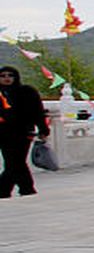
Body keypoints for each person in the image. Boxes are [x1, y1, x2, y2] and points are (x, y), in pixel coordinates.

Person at [0, 65, 50, 198]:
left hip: (23, 132)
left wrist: (43, 129)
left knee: (15, 162)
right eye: (3, 76)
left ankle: (4, 190)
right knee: (14, 162)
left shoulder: (27, 92)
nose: (7, 79)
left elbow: (38, 112)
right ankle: (26, 188)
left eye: (10, 75)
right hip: (3, 133)